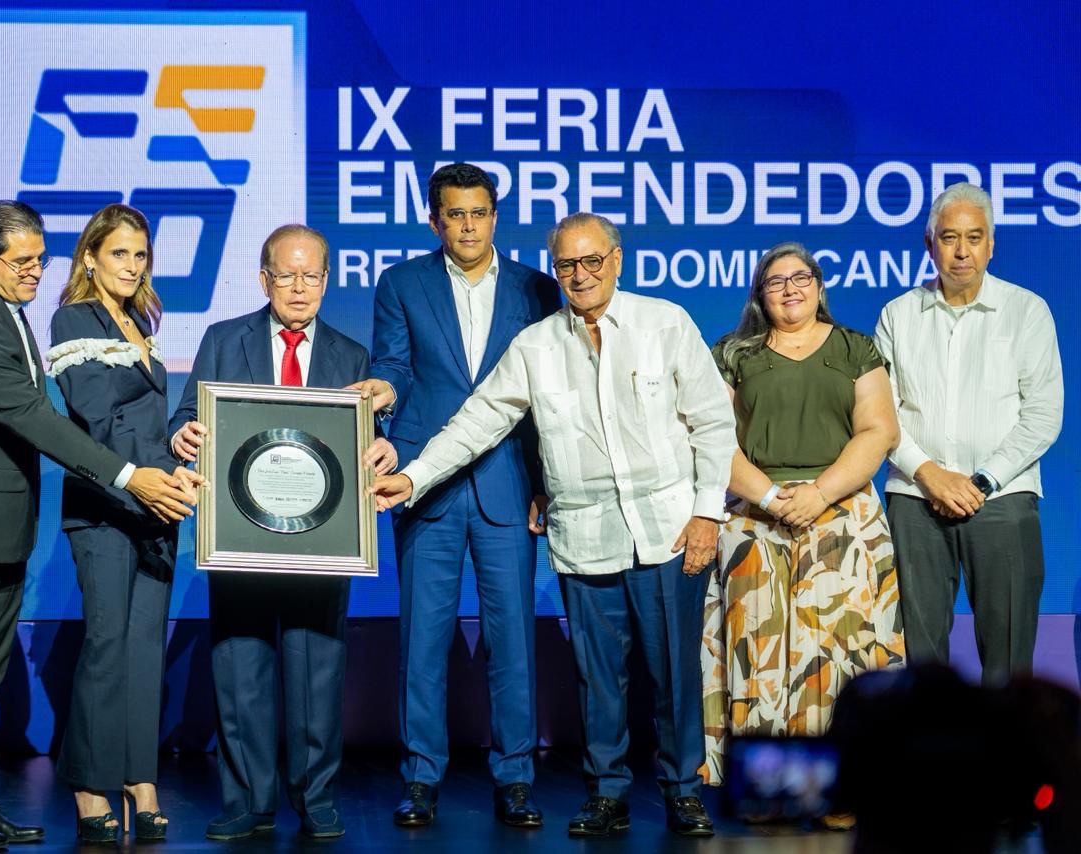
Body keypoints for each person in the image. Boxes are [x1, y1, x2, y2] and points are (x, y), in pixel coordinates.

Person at [370, 212, 735, 838]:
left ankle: (682, 790)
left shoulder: (665, 323)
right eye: (566, 265)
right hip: (586, 536)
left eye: (593, 261)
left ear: (616, 260)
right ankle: (608, 792)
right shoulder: (536, 346)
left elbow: (713, 422)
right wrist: (414, 476)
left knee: (674, 672)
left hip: (668, 530)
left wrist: (707, 512)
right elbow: (477, 421)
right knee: (598, 678)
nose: (580, 275)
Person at [0, 200, 199, 852]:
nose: (36, 270)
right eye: (21, 260)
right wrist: (129, 477)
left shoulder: (7, 314)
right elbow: (41, 422)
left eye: (40, 257)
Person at [169, 225, 397, 841]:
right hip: (241, 536)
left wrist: (384, 450)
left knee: (317, 670)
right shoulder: (223, 339)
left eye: (311, 276)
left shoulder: (351, 356)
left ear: (327, 280)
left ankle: (317, 798)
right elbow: (189, 414)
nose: (299, 288)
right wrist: (180, 435)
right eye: (286, 275)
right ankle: (247, 799)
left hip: (322, 540)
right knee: (240, 669)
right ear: (264, 278)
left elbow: (364, 443)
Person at [351, 163, 560, 829]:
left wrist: (546, 485)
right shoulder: (402, 282)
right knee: (423, 641)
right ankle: (420, 777)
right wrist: (381, 393)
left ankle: (516, 776)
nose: (468, 225)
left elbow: (547, 401)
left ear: (495, 217)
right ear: (434, 219)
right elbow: (394, 365)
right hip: (425, 484)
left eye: (479, 213)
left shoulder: (537, 288)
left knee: (512, 641)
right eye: (455, 214)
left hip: (507, 483)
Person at [699, 242, 906, 790]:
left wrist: (819, 493)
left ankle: (845, 784)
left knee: (842, 654)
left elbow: (879, 431)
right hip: (755, 515)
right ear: (759, 296)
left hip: (843, 516)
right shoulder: (733, 353)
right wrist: (769, 498)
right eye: (776, 281)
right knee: (758, 652)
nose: (790, 288)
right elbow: (712, 438)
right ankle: (766, 785)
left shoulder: (855, 348)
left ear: (818, 286)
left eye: (801, 277)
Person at [875, 182, 1063, 685]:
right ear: (929, 243)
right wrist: (931, 475)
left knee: (1007, 659)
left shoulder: (1028, 311)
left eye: (974, 238)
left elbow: (1043, 414)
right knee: (919, 654)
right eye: (950, 237)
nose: (962, 251)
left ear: (992, 244)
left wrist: (981, 483)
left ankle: (1006, 764)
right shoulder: (897, 314)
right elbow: (881, 415)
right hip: (916, 499)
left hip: (1002, 500)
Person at [44, 204, 178, 842]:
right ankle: (91, 789)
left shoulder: (143, 320)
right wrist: (147, 482)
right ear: (91, 256)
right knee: (104, 645)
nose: (132, 265)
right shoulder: (74, 319)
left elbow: (151, 420)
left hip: (160, 507)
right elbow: (95, 415)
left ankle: (140, 779)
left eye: (141, 254)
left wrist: (183, 452)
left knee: (143, 649)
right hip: (106, 506)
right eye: (120, 252)